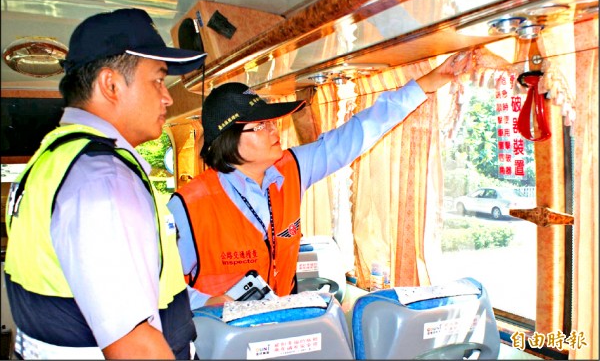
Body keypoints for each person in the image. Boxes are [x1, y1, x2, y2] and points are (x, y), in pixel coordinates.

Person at [168, 51, 472, 308]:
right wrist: (208, 302)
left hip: (278, 328)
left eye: (273, 122)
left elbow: (357, 133)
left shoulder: (293, 167)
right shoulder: (188, 205)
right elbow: (161, 291)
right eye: (261, 126)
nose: (275, 131)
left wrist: (426, 85)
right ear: (229, 140)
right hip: (217, 341)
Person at [3, 8, 207, 359]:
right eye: (158, 80)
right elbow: (135, 347)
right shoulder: (103, 180)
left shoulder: (54, 159)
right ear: (110, 84)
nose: (168, 97)